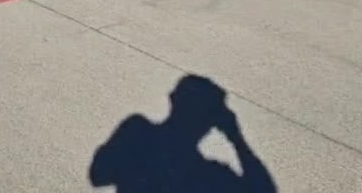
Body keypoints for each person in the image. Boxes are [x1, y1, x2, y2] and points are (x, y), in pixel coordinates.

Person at [88, 74, 277, 192]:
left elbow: (98, 174)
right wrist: (237, 140)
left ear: (172, 99)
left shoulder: (138, 133)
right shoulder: (210, 176)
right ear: (213, 123)